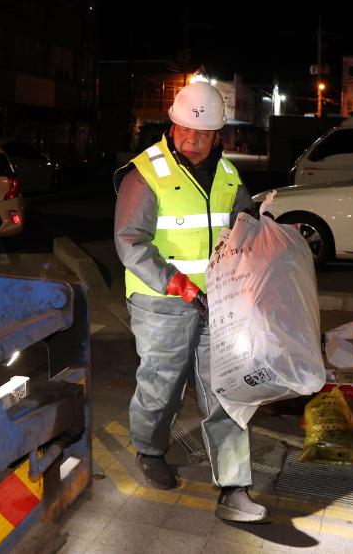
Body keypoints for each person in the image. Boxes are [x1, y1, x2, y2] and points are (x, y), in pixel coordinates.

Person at [112, 81, 269, 523]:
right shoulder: (146, 173)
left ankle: (234, 486)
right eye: (185, 129)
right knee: (162, 384)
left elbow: (243, 227)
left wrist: (264, 233)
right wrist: (179, 284)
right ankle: (149, 449)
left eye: (202, 133)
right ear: (172, 124)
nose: (192, 140)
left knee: (225, 387)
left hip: (217, 301)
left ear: (218, 134)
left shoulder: (229, 175)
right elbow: (130, 242)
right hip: (161, 300)